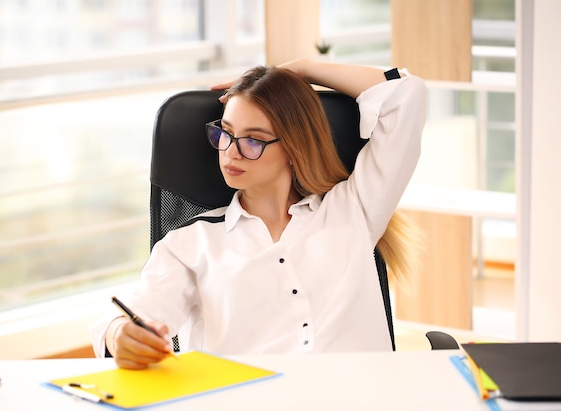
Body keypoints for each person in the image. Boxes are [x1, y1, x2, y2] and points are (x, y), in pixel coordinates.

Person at [91, 59, 427, 370]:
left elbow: (406, 94)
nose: (230, 152)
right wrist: (120, 334)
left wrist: (300, 69)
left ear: (294, 147)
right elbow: (129, 314)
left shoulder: (354, 208)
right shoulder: (192, 243)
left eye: (253, 140)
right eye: (224, 132)